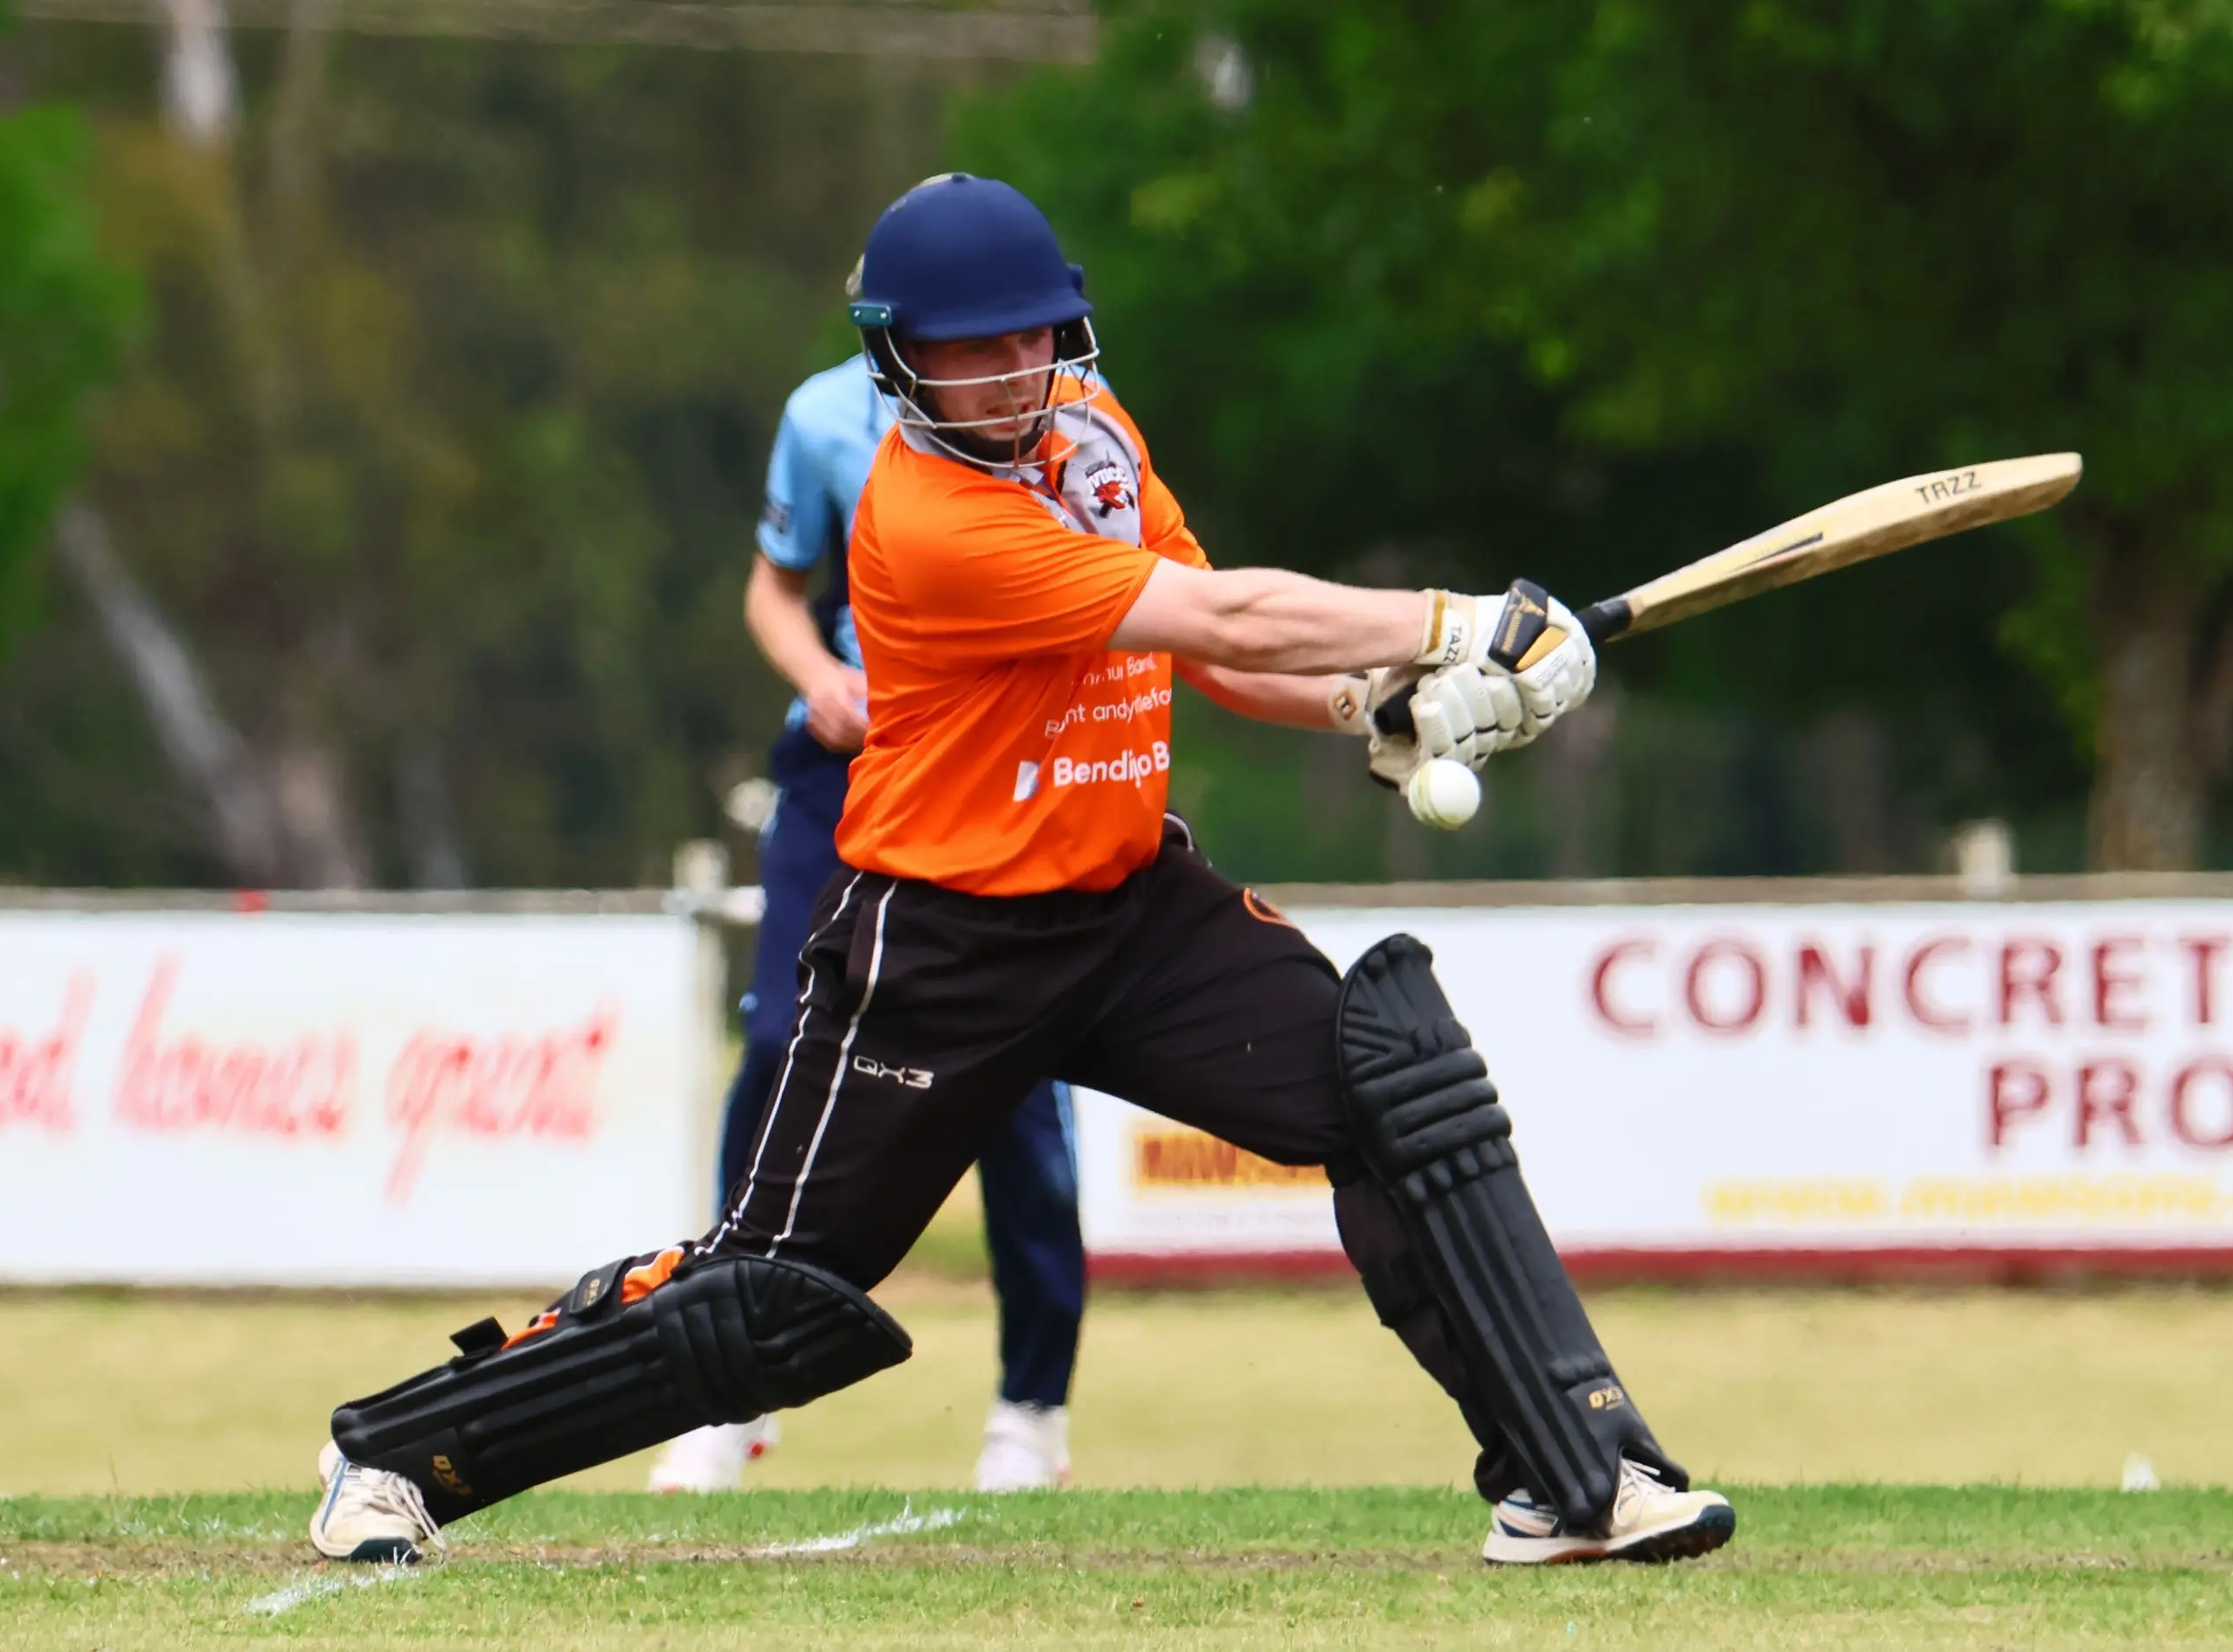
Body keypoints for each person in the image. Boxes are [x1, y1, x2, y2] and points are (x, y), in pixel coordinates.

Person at [309, 174, 1737, 1568]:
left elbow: (1218, 650)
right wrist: (1460, 621)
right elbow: (1222, 604)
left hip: (1128, 914)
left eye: (1034, 334)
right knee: (772, 1298)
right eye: (970, 345)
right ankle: (397, 1454)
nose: (1011, 370)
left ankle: (1577, 1473)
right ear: (898, 357)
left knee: (1392, 1080)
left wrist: (1373, 701)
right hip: (934, 949)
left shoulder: (1090, 433)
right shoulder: (930, 522)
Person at [647, 277, 1084, 1497]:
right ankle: (724, 1388)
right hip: (845, 776)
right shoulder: (824, 415)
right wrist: (817, 678)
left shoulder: (1070, 419)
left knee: (1013, 1080)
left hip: (1003, 779)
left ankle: (1031, 1405)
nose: (994, 353)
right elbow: (773, 587)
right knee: (782, 1047)